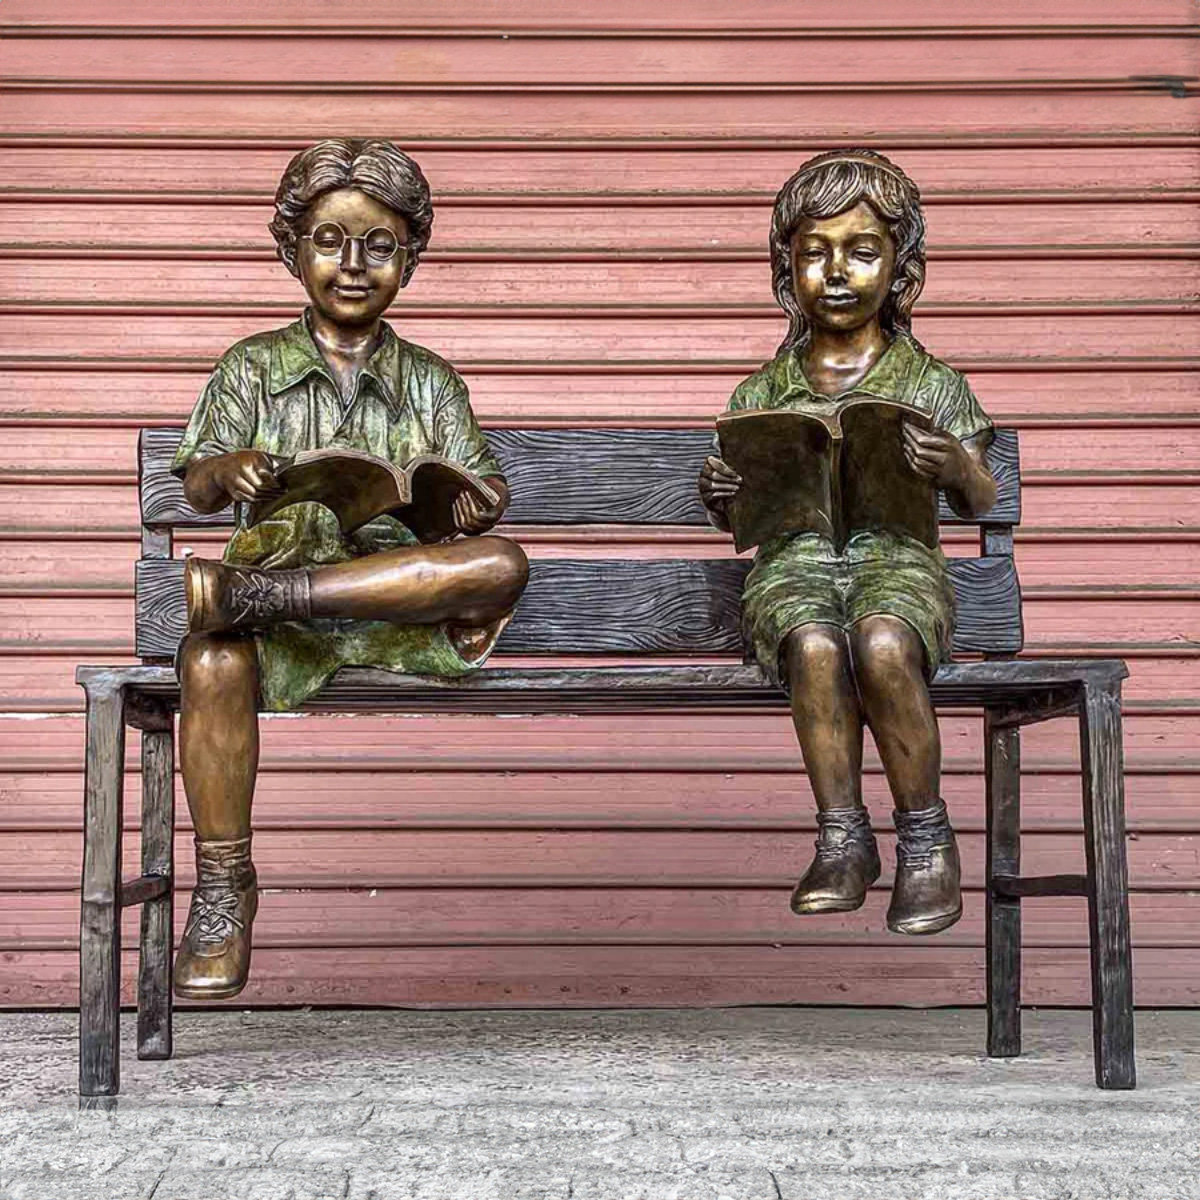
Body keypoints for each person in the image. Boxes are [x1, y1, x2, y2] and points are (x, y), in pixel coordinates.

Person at [170, 138, 529, 999]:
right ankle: (223, 888)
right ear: (291, 248)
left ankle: (257, 598)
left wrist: (472, 503)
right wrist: (230, 471)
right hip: (287, 616)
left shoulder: (432, 380)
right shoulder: (250, 367)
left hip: (395, 601)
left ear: (411, 257)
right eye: (330, 240)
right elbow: (196, 478)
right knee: (211, 658)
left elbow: (478, 482)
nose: (354, 263)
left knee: (502, 564)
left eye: (379, 245)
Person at [698, 149, 997, 935]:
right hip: (795, 565)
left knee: (884, 640)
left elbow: (983, 499)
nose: (836, 272)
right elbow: (738, 512)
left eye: (862, 252)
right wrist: (721, 494)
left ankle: (926, 842)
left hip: (897, 559)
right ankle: (843, 838)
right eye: (813, 253)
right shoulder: (762, 390)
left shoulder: (932, 383)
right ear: (784, 268)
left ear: (901, 271)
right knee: (816, 645)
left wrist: (959, 464)